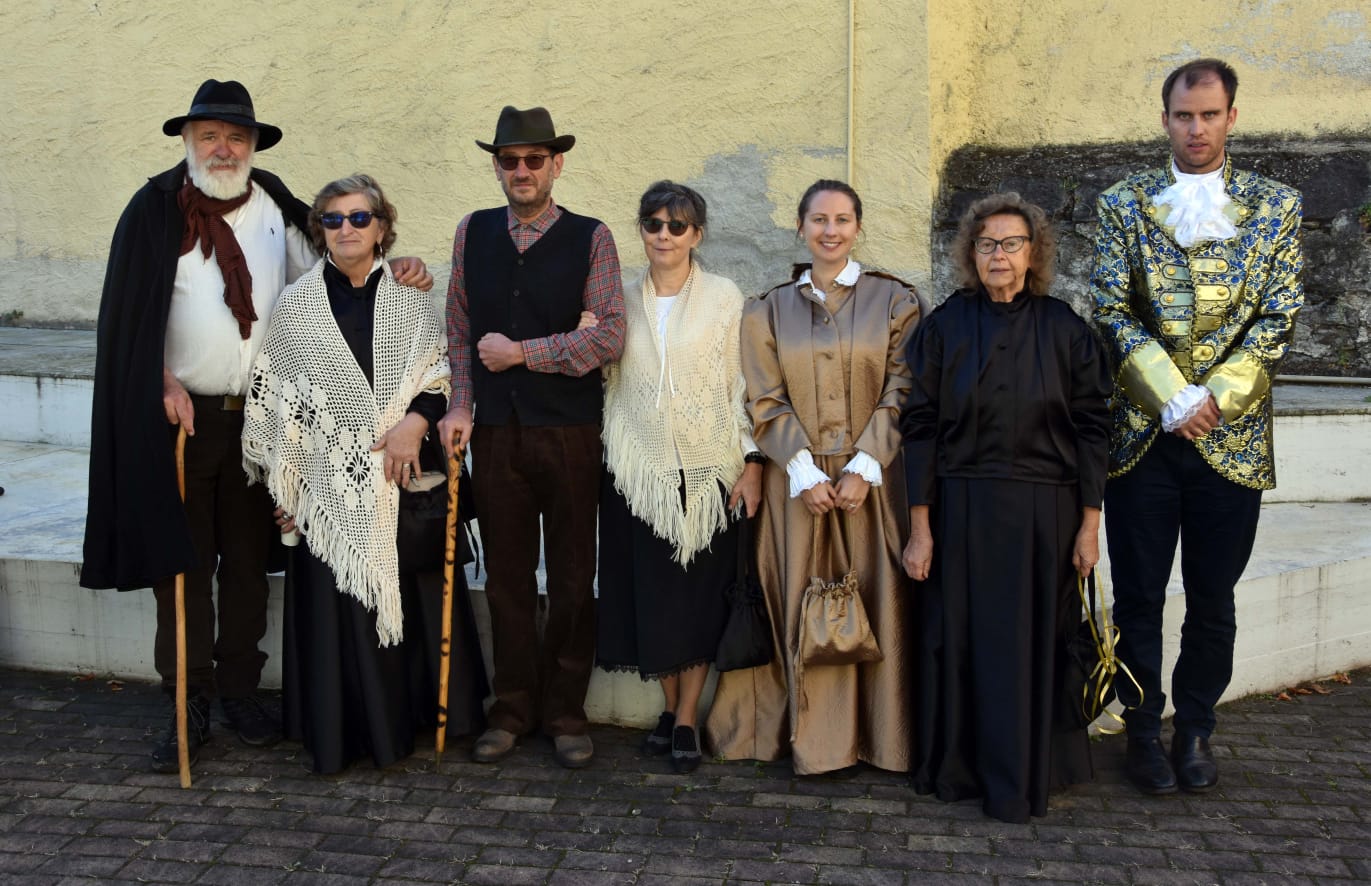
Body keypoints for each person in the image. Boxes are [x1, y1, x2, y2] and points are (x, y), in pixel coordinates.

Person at [79, 79, 432, 773]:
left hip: (262, 425)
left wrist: (401, 270)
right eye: (209, 135)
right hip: (182, 421)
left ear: (252, 147)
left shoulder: (276, 207)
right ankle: (188, 701)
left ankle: (240, 692)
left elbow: (336, 276)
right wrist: (158, 378)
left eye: (235, 137)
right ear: (188, 141)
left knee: (245, 566)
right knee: (183, 568)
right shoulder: (153, 211)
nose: (223, 148)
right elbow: (127, 318)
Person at [1091, 59, 1304, 795]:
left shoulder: (1276, 206)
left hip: (1230, 439)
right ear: (1165, 120)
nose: (1197, 128)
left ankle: (1195, 729)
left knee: (1213, 599)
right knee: (1139, 596)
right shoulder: (1122, 203)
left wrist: (1213, 397)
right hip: (1142, 439)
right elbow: (1110, 308)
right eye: (1184, 115)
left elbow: (1278, 314)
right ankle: (1141, 731)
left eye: (1210, 115)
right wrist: (1168, 395)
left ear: (1231, 117)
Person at [241, 175, 488, 773]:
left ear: (382, 227)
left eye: (359, 218)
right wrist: (291, 486)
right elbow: (280, 408)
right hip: (328, 491)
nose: (346, 229)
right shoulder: (297, 306)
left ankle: (414, 722)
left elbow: (439, 375)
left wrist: (413, 424)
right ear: (319, 229)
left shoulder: (408, 296)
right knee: (339, 610)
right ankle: (347, 732)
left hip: (404, 477)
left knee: (415, 599)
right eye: (333, 219)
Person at [900, 193, 1112, 823]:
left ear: (1033, 253)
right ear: (971, 253)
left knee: (1033, 646)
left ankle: (1026, 775)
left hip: (1046, 516)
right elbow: (920, 427)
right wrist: (920, 528)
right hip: (961, 511)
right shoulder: (944, 326)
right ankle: (961, 771)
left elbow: (1093, 427)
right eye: (987, 243)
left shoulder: (1065, 328)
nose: (999, 254)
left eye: (1012, 243)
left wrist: (1090, 525)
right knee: (963, 644)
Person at [705, 179, 921, 775]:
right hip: (794, 483)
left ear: (858, 227)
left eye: (842, 219)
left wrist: (866, 465)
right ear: (800, 227)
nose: (830, 230)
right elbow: (763, 396)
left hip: (871, 482)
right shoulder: (768, 308)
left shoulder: (895, 301)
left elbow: (904, 386)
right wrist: (801, 469)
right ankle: (804, 739)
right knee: (797, 598)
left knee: (876, 601)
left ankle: (881, 738)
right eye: (819, 219)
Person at [437, 106, 625, 769]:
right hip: (494, 433)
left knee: (572, 578)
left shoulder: (592, 237)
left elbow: (609, 335)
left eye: (534, 160)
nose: (522, 170)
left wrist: (523, 353)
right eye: (509, 160)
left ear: (556, 165)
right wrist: (460, 403)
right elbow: (459, 329)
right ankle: (511, 708)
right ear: (497, 167)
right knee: (506, 578)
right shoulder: (473, 232)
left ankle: (566, 713)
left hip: (569, 432)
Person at [592, 181, 763, 774]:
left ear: (697, 234)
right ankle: (669, 709)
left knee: (697, 600)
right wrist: (591, 334)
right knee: (654, 597)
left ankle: (687, 716)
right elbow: (606, 376)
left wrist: (751, 462)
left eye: (677, 225)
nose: (664, 235)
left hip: (709, 469)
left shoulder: (722, 297)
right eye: (653, 224)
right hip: (637, 471)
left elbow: (739, 383)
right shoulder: (618, 299)